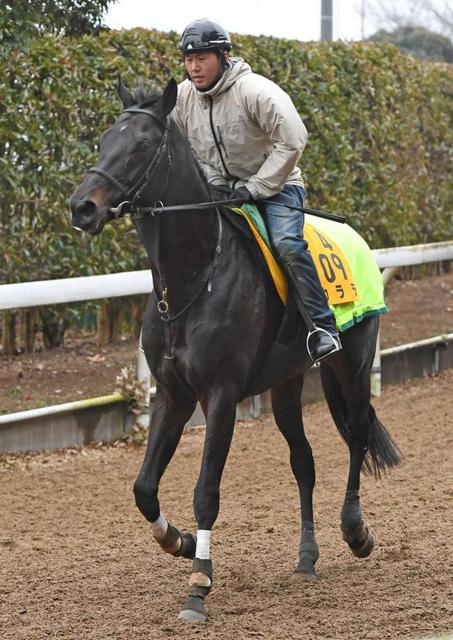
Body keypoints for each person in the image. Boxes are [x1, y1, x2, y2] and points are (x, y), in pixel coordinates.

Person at [173, 18, 341, 363]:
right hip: (222, 191)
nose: (194, 67)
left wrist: (257, 187)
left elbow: (293, 139)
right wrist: (213, 183)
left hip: (277, 188)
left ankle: (322, 328)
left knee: (286, 244)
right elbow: (180, 147)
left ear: (224, 55)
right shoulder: (182, 98)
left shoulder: (255, 90)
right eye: (189, 60)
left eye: (202, 58)